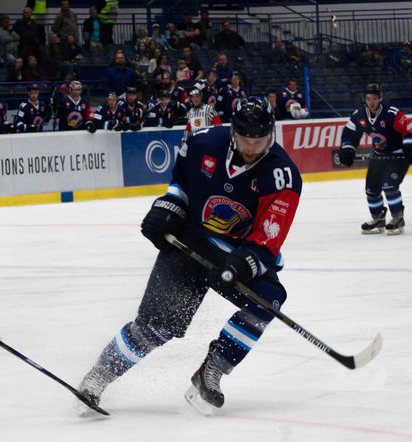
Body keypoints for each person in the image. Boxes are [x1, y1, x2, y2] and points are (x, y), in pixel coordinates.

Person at [77, 97, 302, 414]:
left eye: (260, 140)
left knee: (267, 301)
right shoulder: (202, 143)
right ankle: (97, 378)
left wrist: (241, 265)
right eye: (246, 139)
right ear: (233, 131)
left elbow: (268, 239)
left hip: (237, 252)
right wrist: (168, 207)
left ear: (272, 134)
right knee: (155, 328)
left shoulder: (282, 175)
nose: (252, 147)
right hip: (190, 240)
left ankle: (211, 371)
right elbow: (181, 183)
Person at [338, 83, 412, 235]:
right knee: (371, 189)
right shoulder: (359, 115)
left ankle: (397, 217)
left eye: (375, 98)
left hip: (398, 155)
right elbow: (348, 134)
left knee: (389, 185)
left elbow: (410, 129)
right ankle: (378, 219)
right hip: (379, 155)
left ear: (380, 98)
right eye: (369, 98)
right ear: (365, 99)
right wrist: (347, 149)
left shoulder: (391, 113)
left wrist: (409, 147)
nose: (372, 102)